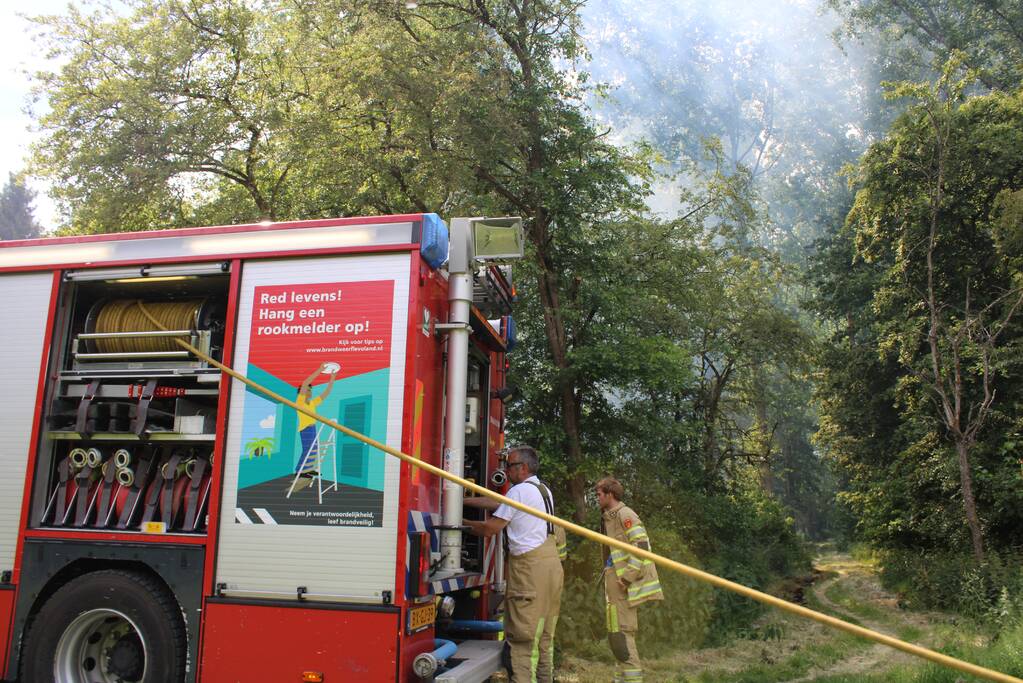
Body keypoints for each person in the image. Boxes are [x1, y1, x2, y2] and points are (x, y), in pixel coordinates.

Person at [463, 445, 564, 683]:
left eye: (509, 465)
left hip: (529, 572)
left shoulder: (519, 492)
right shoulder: (542, 490)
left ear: (523, 468)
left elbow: (490, 529)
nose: (505, 471)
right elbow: (500, 503)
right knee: (544, 637)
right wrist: (467, 500)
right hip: (551, 569)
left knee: (523, 640)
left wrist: (460, 521)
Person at [596, 477, 663, 683]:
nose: (597, 497)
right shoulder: (609, 517)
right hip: (614, 584)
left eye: (599, 494)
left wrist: (626, 579)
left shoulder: (625, 515)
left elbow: (641, 547)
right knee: (616, 637)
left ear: (610, 494)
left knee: (623, 636)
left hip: (622, 585)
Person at [292, 362, 337, 491]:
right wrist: (320, 370)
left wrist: (332, 378)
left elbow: (326, 393)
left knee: (314, 450)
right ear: (302, 392)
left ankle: (308, 469)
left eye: (311, 390)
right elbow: (305, 382)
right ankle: (299, 471)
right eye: (308, 390)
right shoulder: (300, 402)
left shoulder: (312, 403)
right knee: (307, 450)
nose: (310, 391)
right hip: (305, 429)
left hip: (313, 428)